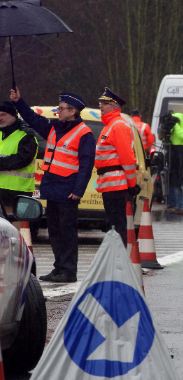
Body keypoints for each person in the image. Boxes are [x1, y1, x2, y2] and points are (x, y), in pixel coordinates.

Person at [11, 89, 95, 283]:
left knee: (67, 232)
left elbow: (86, 165)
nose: (58, 111)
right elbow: (32, 118)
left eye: (61, 108)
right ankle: (59, 268)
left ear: (72, 111)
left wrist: (78, 191)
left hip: (68, 190)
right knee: (54, 232)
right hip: (52, 187)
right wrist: (19, 102)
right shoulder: (54, 127)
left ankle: (69, 270)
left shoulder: (84, 134)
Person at [96, 88, 139, 246]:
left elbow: (127, 159)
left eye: (105, 103)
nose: (100, 106)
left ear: (115, 107)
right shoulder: (110, 125)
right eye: (100, 103)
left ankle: (118, 261)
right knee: (113, 224)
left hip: (116, 184)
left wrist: (132, 184)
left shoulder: (118, 125)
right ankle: (115, 260)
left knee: (116, 225)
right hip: (110, 184)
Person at [0, 101, 38, 212]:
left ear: (13, 116)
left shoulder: (26, 136)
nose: (0, 118)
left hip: (18, 191)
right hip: (1, 191)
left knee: (16, 227)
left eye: (3, 115)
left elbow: (22, 159)